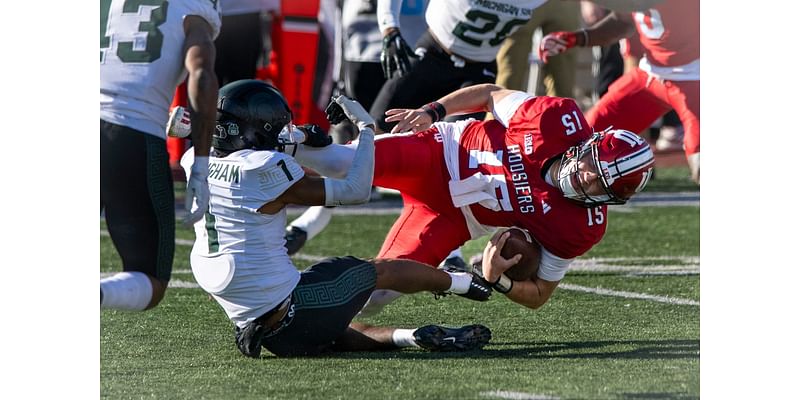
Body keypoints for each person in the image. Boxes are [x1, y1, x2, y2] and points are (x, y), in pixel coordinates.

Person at [180, 79, 493, 358]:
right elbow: (356, 190)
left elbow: (249, 144)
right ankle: (462, 282)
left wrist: (302, 136)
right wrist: (367, 129)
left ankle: (408, 337)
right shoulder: (261, 170)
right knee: (379, 270)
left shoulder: (194, 158)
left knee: (329, 330)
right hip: (294, 309)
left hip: (265, 332)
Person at [287, 83, 655, 315]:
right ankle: (270, 139)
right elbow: (489, 94)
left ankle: (286, 302)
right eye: (594, 165)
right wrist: (432, 112)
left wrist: (500, 279)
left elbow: (541, 293)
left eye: (601, 185)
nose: (587, 177)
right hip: (441, 153)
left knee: (377, 293)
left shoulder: (581, 226)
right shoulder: (557, 119)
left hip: (456, 219)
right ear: (588, 146)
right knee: (341, 163)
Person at [100, 0, 221, 311]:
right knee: (149, 279)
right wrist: (201, 165)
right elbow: (202, 75)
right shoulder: (192, 8)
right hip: (130, 132)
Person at [538, 0, 699, 183]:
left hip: (695, 77)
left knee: (700, 161)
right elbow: (623, 21)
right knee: (581, 139)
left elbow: (635, 4)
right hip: (651, 74)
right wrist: (579, 37)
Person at [369, 0, 549, 133]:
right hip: (433, 54)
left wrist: (576, 37)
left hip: (478, 73)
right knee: (374, 130)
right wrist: (389, 29)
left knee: (450, 147)